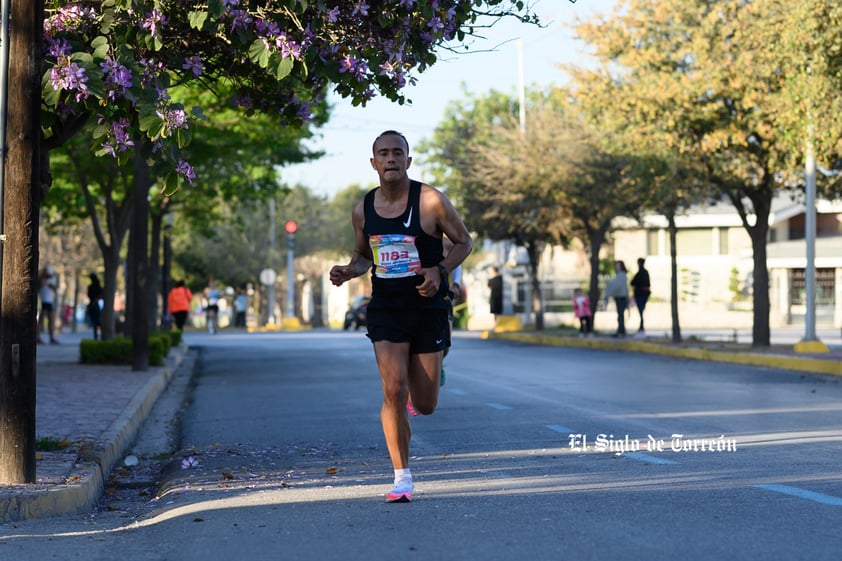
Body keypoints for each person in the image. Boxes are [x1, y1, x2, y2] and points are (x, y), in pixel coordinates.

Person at [329, 130, 472, 503]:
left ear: (408, 161)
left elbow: (464, 241)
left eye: (398, 153)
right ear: (373, 162)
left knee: (425, 403)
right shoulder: (363, 209)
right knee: (393, 388)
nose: (390, 159)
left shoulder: (430, 201)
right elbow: (364, 255)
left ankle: (437, 361)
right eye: (383, 153)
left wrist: (438, 270)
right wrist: (349, 270)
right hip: (387, 308)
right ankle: (402, 477)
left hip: (427, 307)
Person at [604, 260, 629, 338]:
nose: (616, 267)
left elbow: (619, 286)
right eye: (616, 265)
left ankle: (621, 332)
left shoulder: (622, 275)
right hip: (618, 297)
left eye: (618, 265)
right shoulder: (618, 275)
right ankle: (621, 331)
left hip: (622, 298)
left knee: (621, 315)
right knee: (620, 315)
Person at [38, 266, 59, 344]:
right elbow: (42, 285)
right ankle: (38, 337)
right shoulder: (41, 280)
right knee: (41, 321)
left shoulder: (50, 280)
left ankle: (51, 337)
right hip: (44, 302)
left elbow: (55, 289)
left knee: (50, 321)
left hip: (49, 302)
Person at [630, 257, 651, 336]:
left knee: (641, 310)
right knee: (641, 310)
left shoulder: (640, 273)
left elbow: (633, 282)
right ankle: (641, 325)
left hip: (640, 294)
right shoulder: (644, 273)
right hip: (643, 293)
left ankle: (641, 325)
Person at [87, 273, 104, 340]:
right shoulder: (95, 287)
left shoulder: (93, 287)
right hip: (95, 304)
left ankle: (97, 335)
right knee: (96, 321)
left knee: (96, 321)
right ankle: (97, 335)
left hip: (95, 304)